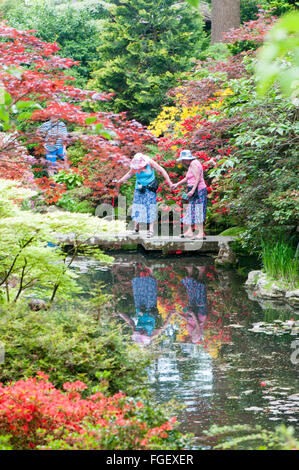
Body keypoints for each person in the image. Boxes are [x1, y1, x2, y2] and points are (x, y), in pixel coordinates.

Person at [117, 153, 173, 238]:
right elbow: (129, 174)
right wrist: (120, 181)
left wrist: (169, 182)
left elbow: (162, 170)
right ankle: (136, 229)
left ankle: (151, 230)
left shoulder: (150, 163)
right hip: (139, 188)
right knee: (137, 207)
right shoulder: (135, 167)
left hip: (150, 189)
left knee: (150, 207)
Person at [172, 149, 207, 239]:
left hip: (198, 190)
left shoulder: (193, 164)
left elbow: (198, 178)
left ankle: (201, 233)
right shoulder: (192, 164)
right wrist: (177, 184)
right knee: (191, 209)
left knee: (197, 210)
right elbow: (188, 178)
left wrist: (192, 190)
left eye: (184, 159)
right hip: (194, 190)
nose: (183, 161)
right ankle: (190, 231)